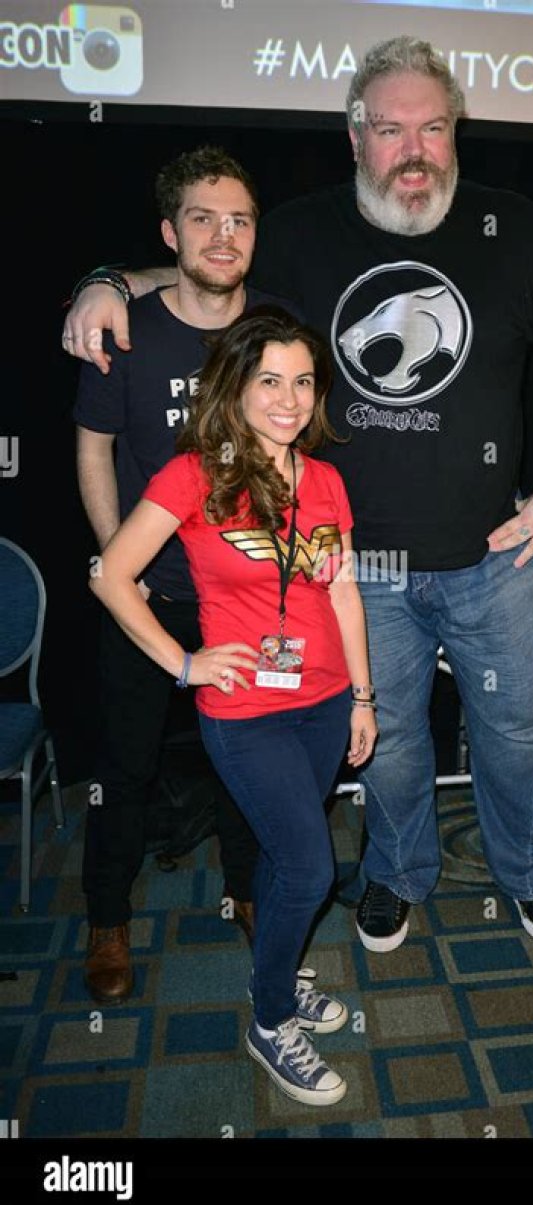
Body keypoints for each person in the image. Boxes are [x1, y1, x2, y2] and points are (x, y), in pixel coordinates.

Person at [62, 36, 533, 959]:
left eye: (432, 128)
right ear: (357, 137)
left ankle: (528, 873)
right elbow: (210, 275)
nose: (414, 151)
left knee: (519, 730)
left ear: (456, 131)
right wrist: (105, 283)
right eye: (391, 129)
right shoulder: (307, 232)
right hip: (358, 569)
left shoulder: (513, 227)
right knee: (387, 739)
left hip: (499, 558)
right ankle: (397, 874)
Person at [89, 307, 377, 1105]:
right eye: (270, 380)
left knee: (286, 858)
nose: (289, 399)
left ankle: (274, 973)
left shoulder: (326, 480)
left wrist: (363, 696)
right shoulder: (193, 474)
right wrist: (184, 663)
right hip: (244, 711)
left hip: (325, 703)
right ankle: (271, 1020)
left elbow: (343, 592)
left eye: (304, 381)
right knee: (312, 865)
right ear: (236, 387)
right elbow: (110, 575)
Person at [73, 146, 295, 1004]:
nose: (223, 235)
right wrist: (116, 558)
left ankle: (248, 891)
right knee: (123, 767)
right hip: (151, 593)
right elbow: (94, 448)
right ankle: (107, 918)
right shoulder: (126, 330)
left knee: (250, 760)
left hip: (246, 599)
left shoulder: (275, 324)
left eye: (239, 219)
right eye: (203, 218)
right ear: (170, 233)